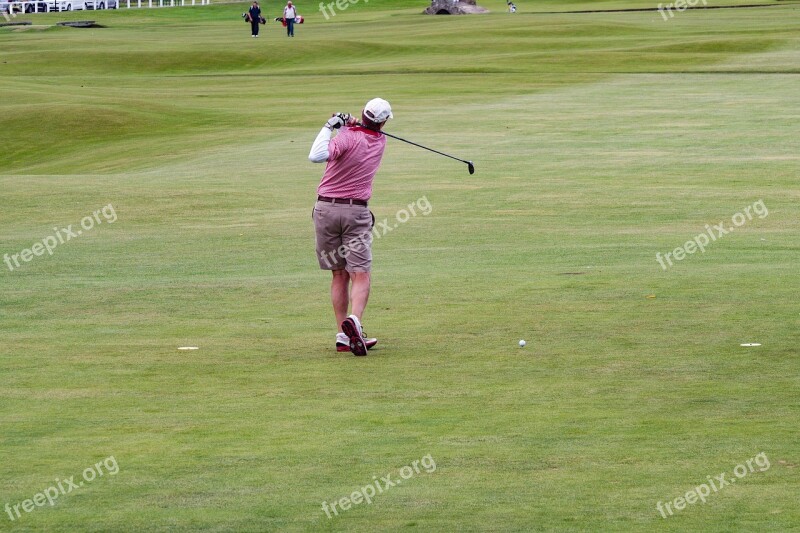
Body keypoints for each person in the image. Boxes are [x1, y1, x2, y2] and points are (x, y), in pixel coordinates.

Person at [308, 98, 393, 356]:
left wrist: (331, 125)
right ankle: (354, 320)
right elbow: (363, 133)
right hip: (356, 212)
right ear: (383, 122)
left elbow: (316, 155)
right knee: (360, 273)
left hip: (325, 211)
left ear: (363, 114)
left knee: (339, 274)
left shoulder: (347, 136)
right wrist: (349, 127)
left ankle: (343, 335)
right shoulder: (379, 141)